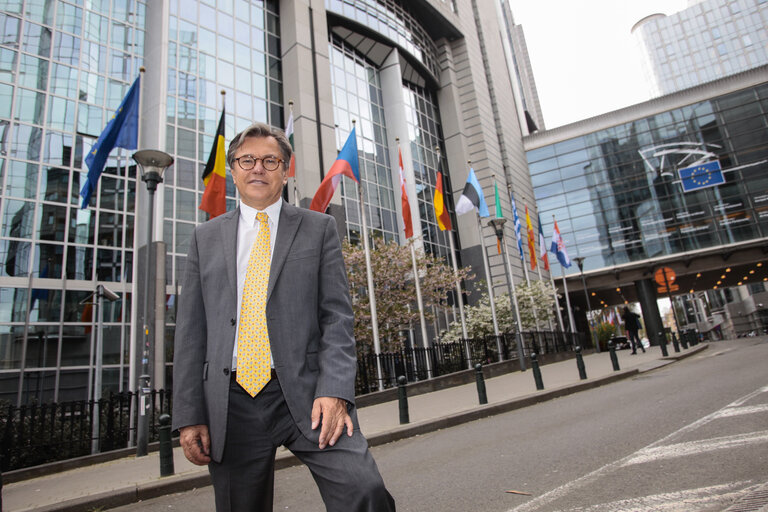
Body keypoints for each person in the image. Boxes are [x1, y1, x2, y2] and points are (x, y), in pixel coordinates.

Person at [172, 122, 395, 512]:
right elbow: (191, 332)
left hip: (309, 393)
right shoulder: (203, 239)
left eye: (270, 160)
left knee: (363, 490)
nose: (258, 168)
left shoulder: (318, 228)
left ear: (285, 170)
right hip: (231, 400)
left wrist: (335, 390)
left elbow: (337, 319)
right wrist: (189, 415)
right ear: (234, 170)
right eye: (247, 160)